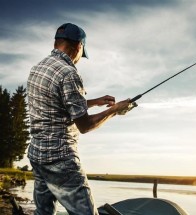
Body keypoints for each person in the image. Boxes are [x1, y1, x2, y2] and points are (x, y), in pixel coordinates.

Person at [27, 23, 135, 215]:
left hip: (37, 155)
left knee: (43, 212)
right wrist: (115, 110)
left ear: (57, 42)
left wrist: (94, 102)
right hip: (60, 158)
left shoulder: (38, 68)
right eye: (82, 53)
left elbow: (57, 104)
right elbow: (84, 126)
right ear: (78, 46)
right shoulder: (68, 73)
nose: (79, 59)